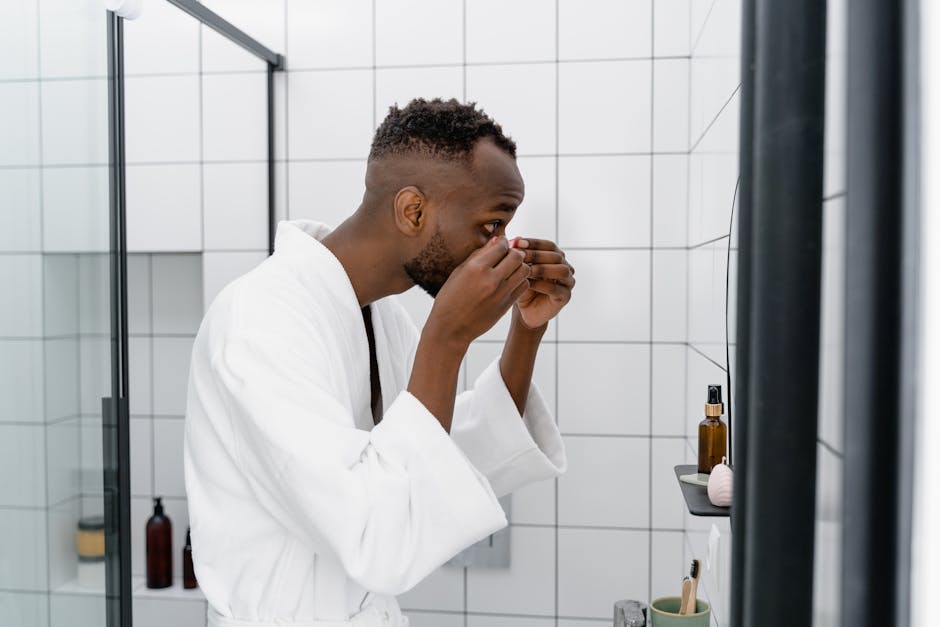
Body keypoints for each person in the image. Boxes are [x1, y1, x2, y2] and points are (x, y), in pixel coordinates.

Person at [183, 98, 576, 627]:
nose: (502, 247)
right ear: (413, 211)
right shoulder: (259, 320)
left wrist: (526, 331)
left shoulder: (379, 314)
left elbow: (433, 457)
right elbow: (374, 533)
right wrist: (446, 339)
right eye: (491, 225)